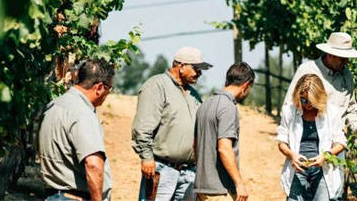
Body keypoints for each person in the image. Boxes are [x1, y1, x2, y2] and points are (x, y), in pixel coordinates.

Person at [132, 46, 212, 200]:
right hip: (163, 170)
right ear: (181, 66)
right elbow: (143, 127)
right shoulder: (156, 86)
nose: (200, 73)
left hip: (189, 172)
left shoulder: (193, 94)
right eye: (196, 68)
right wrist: (147, 157)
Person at [38, 59, 115, 201]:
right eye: (109, 89)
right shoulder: (83, 114)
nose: (108, 94)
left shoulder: (54, 105)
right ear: (99, 87)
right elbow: (93, 165)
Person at [277, 74, 347, 200]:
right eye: (303, 100)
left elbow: (341, 142)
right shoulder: (289, 111)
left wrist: (325, 156)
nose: (307, 104)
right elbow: (281, 141)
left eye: (310, 101)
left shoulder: (331, 112)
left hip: (322, 169)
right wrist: (292, 155)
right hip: (297, 169)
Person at [284, 32, 357, 135]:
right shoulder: (307, 70)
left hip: (337, 141)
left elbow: (351, 108)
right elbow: (289, 105)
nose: (346, 62)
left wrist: (356, 127)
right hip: (308, 139)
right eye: (342, 58)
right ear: (330, 55)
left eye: (347, 58)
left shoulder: (346, 75)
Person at [194, 62, 255, 201]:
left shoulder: (205, 104)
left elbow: (195, 145)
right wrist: (239, 184)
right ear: (246, 85)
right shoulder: (228, 107)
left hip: (202, 187)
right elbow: (224, 148)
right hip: (220, 190)